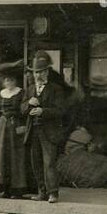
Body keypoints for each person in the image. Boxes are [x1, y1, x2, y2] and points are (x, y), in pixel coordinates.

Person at [24, 52, 69, 203]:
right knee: (35, 162)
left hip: (49, 131)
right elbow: (22, 108)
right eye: (35, 72)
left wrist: (44, 111)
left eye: (41, 72)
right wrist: (29, 104)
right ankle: (41, 192)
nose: (38, 75)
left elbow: (61, 111)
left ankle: (53, 193)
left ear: (47, 72)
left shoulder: (56, 89)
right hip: (33, 131)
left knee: (49, 162)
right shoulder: (30, 89)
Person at [0, 66, 28, 197]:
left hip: (16, 126)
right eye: (6, 80)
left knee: (16, 157)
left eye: (11, 80)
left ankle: (17, 189)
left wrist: (23, 125)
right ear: (3, 82)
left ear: (15, 81)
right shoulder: (1, 94)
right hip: (2, 127)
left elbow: (24, 111)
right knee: (3, 157)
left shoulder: (21, 93)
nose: (9, 83)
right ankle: (5, 188)